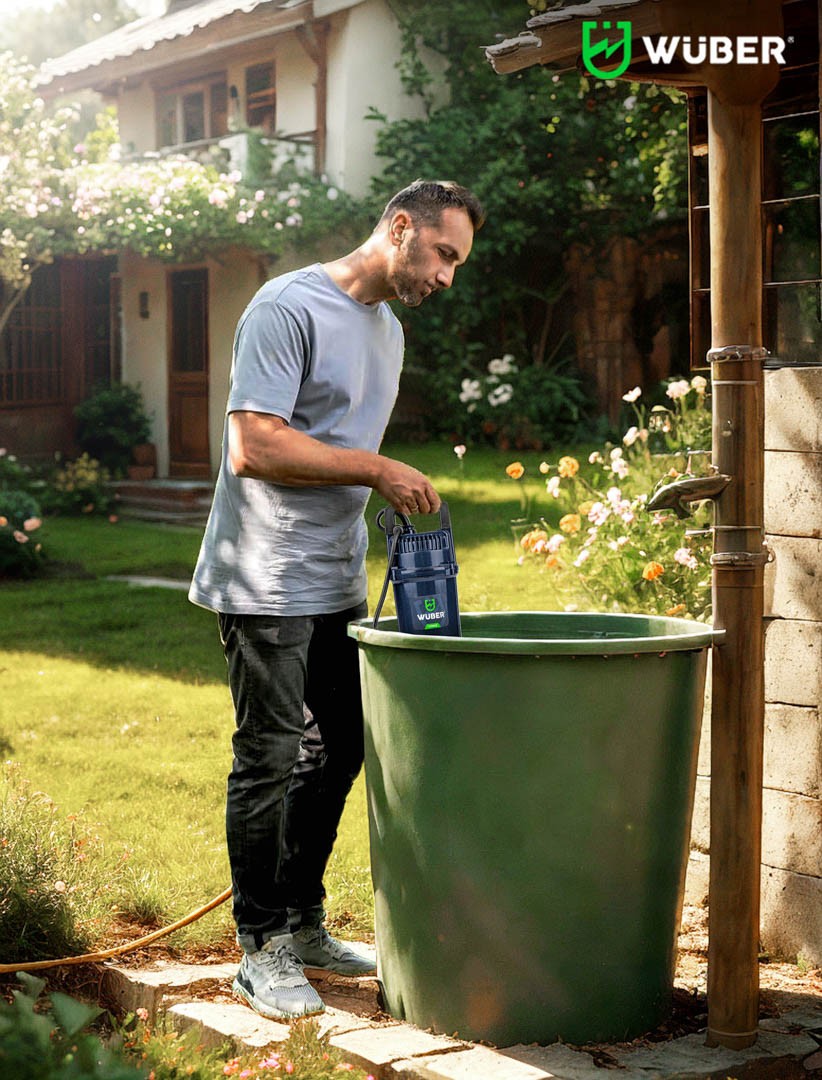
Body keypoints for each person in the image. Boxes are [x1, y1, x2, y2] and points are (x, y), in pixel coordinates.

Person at [189, 179, 485, 1021]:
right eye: (444, 255)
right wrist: (377, 469)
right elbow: (253, 445)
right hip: (264, 575)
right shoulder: (286, 308)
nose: (446, 277)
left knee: (342, 747)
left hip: (334, 576)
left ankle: (302, 922)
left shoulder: (387, 330)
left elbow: (335, 444)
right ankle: (261, 947)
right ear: (401, 227)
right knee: (269, 756)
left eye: (457, 264)